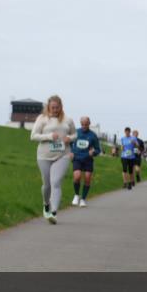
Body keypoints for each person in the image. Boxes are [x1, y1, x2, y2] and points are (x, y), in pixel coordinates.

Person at [30, 95, 76, 224]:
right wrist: (49, 136)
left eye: (57, 107)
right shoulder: (42, 119)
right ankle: (46, 204)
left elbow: (74, 134)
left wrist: (70, 138)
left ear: (61, 106)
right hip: (44, 156)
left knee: (56, 182)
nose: (55, 110)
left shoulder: (68, 120)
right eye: (53, 107)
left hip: (63, 155)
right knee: (47, 185)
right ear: (48, 107)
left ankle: (54, 212)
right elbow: (33, 136)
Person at [71, 116, 102, 208]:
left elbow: (98, 149)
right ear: (80, 124)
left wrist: (94, 152)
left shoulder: (93, 135)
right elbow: (69, 143)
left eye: (86, 124)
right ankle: (76, 195)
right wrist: (71, 152)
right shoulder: (76, 132)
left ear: (89, 124)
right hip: (77, 158)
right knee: (77, 177)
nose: (84, 126)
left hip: (88, 159)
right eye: (82, 124)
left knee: (87, 178)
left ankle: (83, 199)